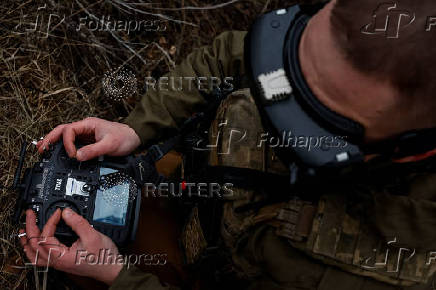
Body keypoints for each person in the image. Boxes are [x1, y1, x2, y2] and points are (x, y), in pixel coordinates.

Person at [19, 0, 436, 289]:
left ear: (413, 149)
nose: (274, 95)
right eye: (277, 71)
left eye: (299, 125)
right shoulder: (362, 36)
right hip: (195, 183)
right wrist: (138, 128)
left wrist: (119, 277)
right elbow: (227, 57)